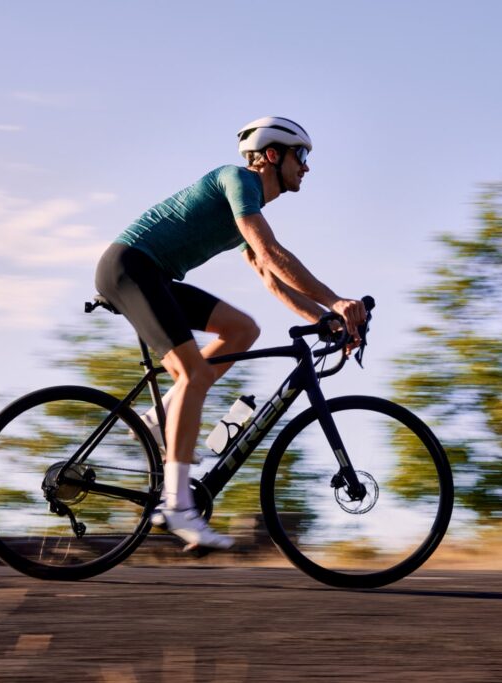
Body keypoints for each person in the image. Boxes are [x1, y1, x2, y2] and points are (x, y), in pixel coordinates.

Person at [94, 117, 367, 550]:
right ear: (273, 155)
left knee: (243, 329)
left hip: (154, 277)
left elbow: (268, 274)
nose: (308, 167)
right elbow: (271, 252)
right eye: (303, 156)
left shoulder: (249, 202)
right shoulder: (238, 179)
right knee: (195, 376)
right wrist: (336, 301)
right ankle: (177, 506)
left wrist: (323, 319)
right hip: (130, 269)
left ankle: (158, 419)